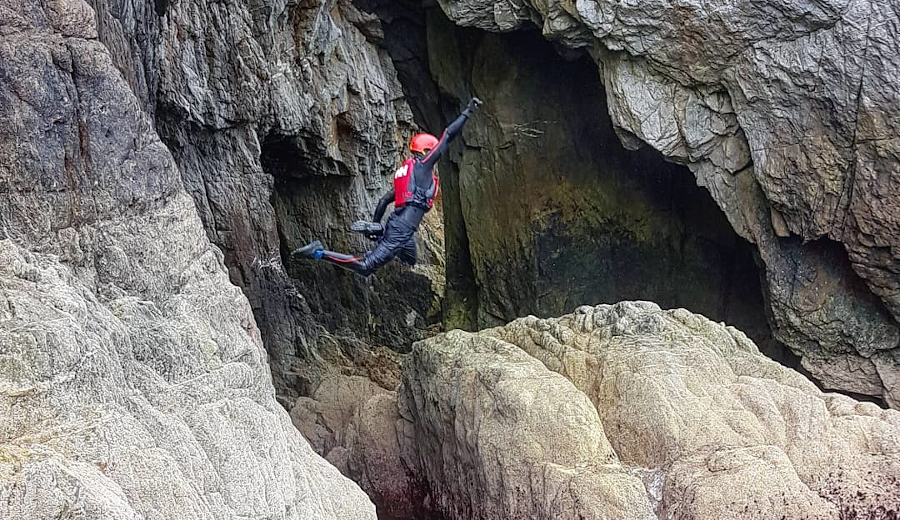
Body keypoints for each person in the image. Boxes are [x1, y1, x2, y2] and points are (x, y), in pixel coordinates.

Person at [292, 97, 483, 276]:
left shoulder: (409, 173)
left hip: (403, 229)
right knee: (366, 267)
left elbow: (384, 200)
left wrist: (376, 224)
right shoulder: (423, 167)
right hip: (401, 229)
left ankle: (379, 230)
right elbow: (448, 135)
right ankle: (318, 252)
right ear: (426, 151)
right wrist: (467, 112)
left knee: (410, 259)